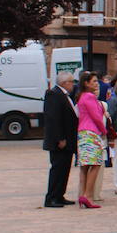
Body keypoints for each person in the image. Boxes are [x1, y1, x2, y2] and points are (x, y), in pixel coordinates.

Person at [42, 71, 78, 207]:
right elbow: (53, 119)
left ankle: (59, 195)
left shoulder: (65, 95)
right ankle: (51, 197)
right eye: (71, 82)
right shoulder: (54, 94)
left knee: (64, 169)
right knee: (57, 169)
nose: (73, 85)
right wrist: (60, 138)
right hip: (60, 141)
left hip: (68, 140)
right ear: (65, 83)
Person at [72, 71, 107, 209]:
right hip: (91, 132)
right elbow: (96, 117)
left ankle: (83, 194)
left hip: (83, 132)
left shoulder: (81, 97)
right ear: (86, 83)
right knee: (95, 164)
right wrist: (104, 131)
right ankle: (88, 195)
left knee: (85, 166)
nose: (97, 84)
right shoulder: (89, 97)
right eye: (94, 81)